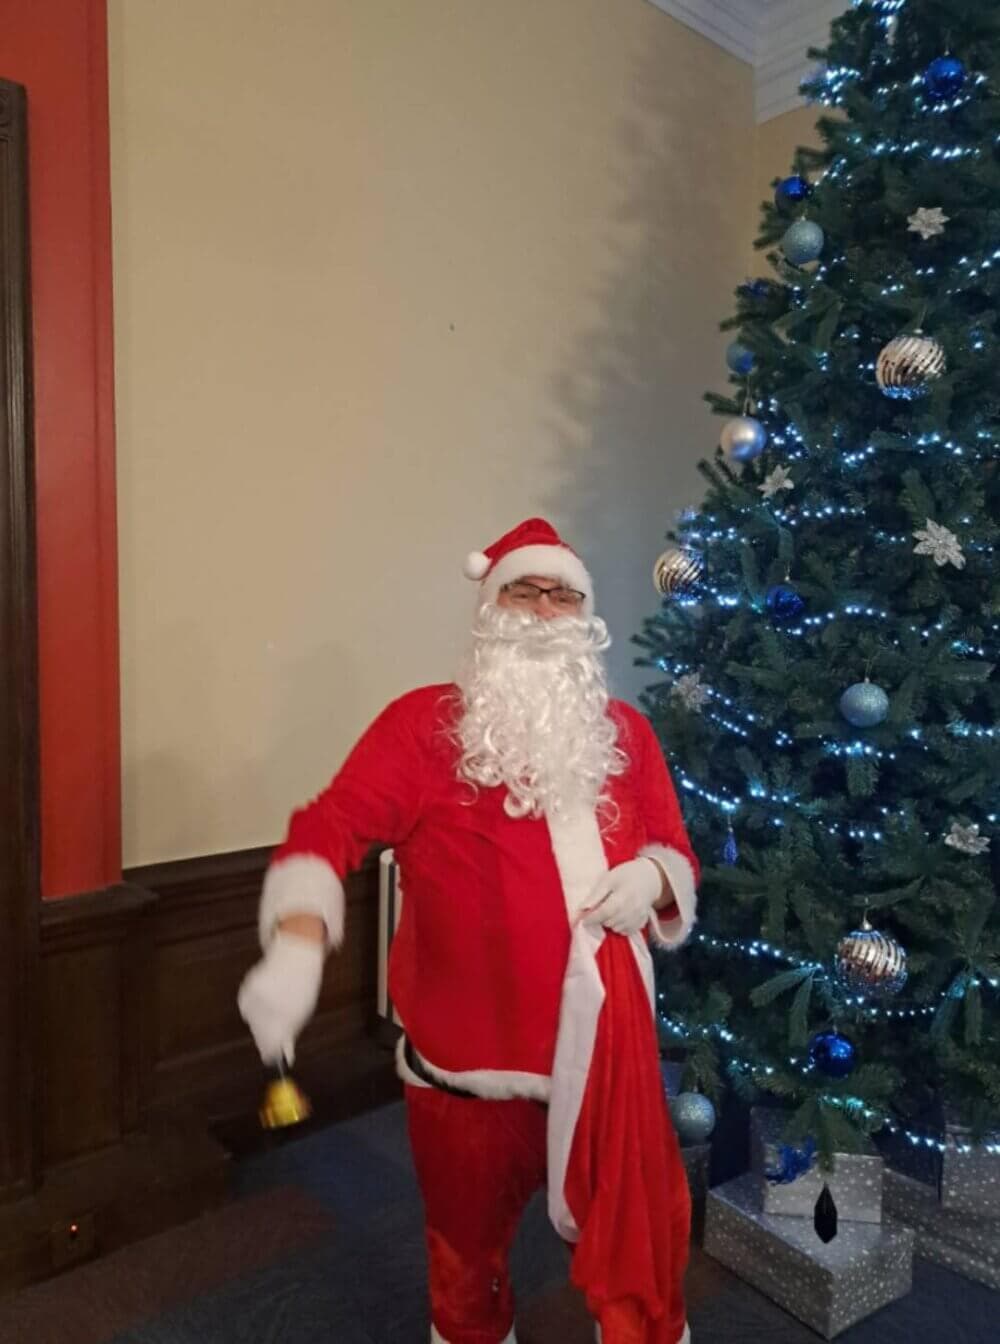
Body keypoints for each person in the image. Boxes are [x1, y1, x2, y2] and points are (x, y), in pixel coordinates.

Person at [238, 517, 699, 1344]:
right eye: (527, 591)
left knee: (644, 1242)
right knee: (467, 1256)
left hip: (604, 1056)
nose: (547, 610)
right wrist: (300, 944)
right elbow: (329, 827)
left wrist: (655, 878)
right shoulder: (422, 726)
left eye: (567, 596)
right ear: (491, 609)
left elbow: (676, 849)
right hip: (466, 1068)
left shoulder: (626, 733)